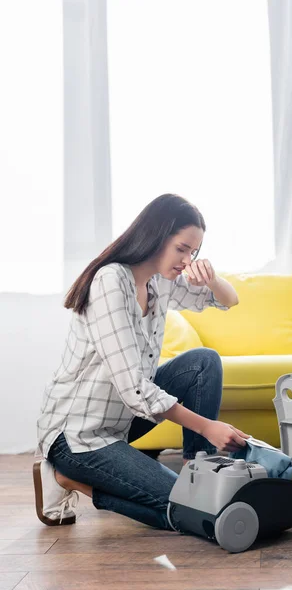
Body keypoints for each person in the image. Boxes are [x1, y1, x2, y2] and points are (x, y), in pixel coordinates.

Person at [33, 193, 250, 531]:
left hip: (120, 421)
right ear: (156, 235)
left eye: (193, 252)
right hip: (78, 434)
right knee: (190, 510)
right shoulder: (110, 281)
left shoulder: (159, 282)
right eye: (181, 248)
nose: (186, 259)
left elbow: (228, 300)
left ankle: (202, 469)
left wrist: (210, 278)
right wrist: (207, 426)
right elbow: (135, 389)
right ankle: (66, 477)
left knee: (203, 363)